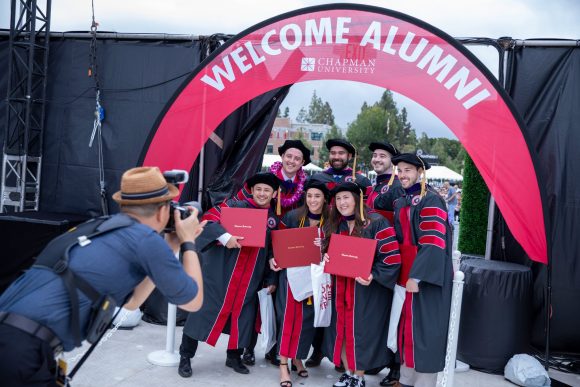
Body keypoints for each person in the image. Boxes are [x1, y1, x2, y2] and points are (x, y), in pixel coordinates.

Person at [0, 166, 205, 386]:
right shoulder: (144, 239)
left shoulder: (98, 227)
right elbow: (193, 301)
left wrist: (170, 246)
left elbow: (132, 302)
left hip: (13, 341)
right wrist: (187, 241)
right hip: (24, 351)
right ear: (162, 211)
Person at [178, 172, 280, 377]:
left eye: (266, 190)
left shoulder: (273, 220)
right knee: (202, 314)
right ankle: (185, 357)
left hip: (250, 279)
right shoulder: (234, 205)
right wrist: (225, 237)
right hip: (221, 275)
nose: (262, 193)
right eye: (258, 189)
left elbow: (272, 251)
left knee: (243, 318)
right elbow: (208, 220)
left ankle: (233, 357)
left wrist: (271, 275)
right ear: (252, 190)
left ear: (274, 193)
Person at [322, 182, 401, 387]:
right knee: (343, 328)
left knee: (362, 331)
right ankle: (349, 372)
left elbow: (391, 258)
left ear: (357, 199)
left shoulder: (376, 222)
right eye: (338, 199)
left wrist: (373, 275)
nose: (342, 203)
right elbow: (327, 252)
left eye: (346, 197)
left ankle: (359, 375)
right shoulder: (335, 223)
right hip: (341, 287)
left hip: (366, 290)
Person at [306, 138, 372, 369]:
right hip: (325, 237)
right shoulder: (317, 178)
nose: (336, 156)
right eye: (333, 152)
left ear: (349, 157)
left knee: (339, 305)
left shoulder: (360, 181)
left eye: (341, 153)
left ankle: (339, 355)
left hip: (349, 239)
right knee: (322, 299)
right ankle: (317, 351)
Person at [391, 154, 453, 387]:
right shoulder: (402, 200)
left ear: (420, 172)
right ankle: (406, 379)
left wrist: (416, 276)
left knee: (425, 329)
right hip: (405, 272)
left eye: (408, 170)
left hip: (425, 275)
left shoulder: (431, 200)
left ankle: (424, 382)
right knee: (406, 326)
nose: (403, 175)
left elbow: (433, 240)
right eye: (400, 171)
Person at [268, 180, 330, 387]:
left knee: (306, 320)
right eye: (310, 195)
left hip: (315, 277)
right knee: (288, 318)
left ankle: (298, 357)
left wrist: (325, 247)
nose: (312, 200)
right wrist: (273, 258)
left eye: (317, 196)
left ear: (324, 199)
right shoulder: (293, 216)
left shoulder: (331, 221)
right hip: (291, 276)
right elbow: (276, 242)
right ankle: (284, 365)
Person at [237, 139, 311, 216]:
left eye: (297, 159)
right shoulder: (262, 180)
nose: (292, 161)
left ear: (302, 162)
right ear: (282, 156)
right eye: (289, 156)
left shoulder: (306, 187)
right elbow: (234, 205)